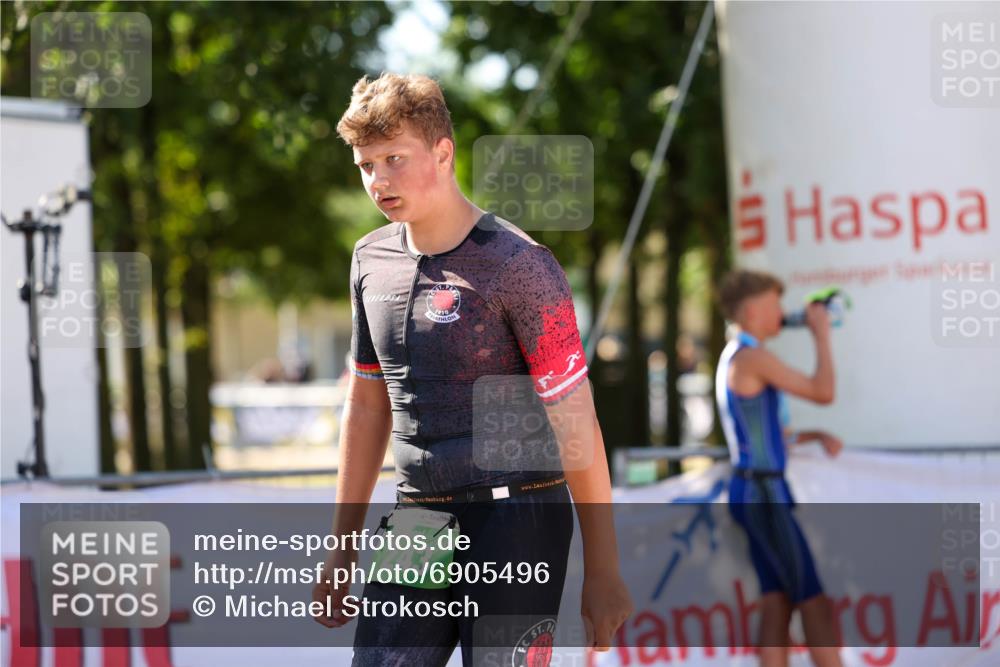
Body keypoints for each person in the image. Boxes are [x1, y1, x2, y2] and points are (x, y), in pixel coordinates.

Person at [311, 73, 632, 667]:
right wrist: (342, 545)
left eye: (395, 159)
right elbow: (367, 404)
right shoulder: (368, 259)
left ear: (443, 153)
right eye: (365, 165)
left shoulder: (523, 264)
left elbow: (577, 417)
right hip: (417, 517)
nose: (378, 180)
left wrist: (604, 570)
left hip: (518, 518)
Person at [715, 269, 845, 667]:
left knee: (778, 600)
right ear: (752, 310)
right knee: (813, 601)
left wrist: (812, 435)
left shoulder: (737, 354)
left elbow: (767, 432)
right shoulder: (753, 356)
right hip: (765, 493)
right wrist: (821, 333)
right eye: (775, 305)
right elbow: (823, 391)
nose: (782, 314)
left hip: (754, 490)